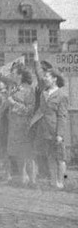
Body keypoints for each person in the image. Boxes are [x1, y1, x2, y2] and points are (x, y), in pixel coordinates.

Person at [0, 49, 35, 185]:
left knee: (26, 154)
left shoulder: (28, 89)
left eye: (13, 72)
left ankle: (31, 180)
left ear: (20, 75)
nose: (11, 74)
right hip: (12, 124)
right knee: (13, 152)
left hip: (23, 125)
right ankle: (21, 177)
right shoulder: (11, 84)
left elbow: (30, 109)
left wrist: (14, 104)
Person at [31, 41, 69, 189]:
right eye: (45, 77)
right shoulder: (44, 90)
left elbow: (62, 116)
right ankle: (54, 180)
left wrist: (59, 134)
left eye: (47, 76)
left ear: (54, 79)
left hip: (55, 132)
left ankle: (61, 181)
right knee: (49, 157)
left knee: (60, 158)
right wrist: (35, 50)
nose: (44, 78)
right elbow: (37, 69)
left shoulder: (61, 95)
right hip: (43, 130)